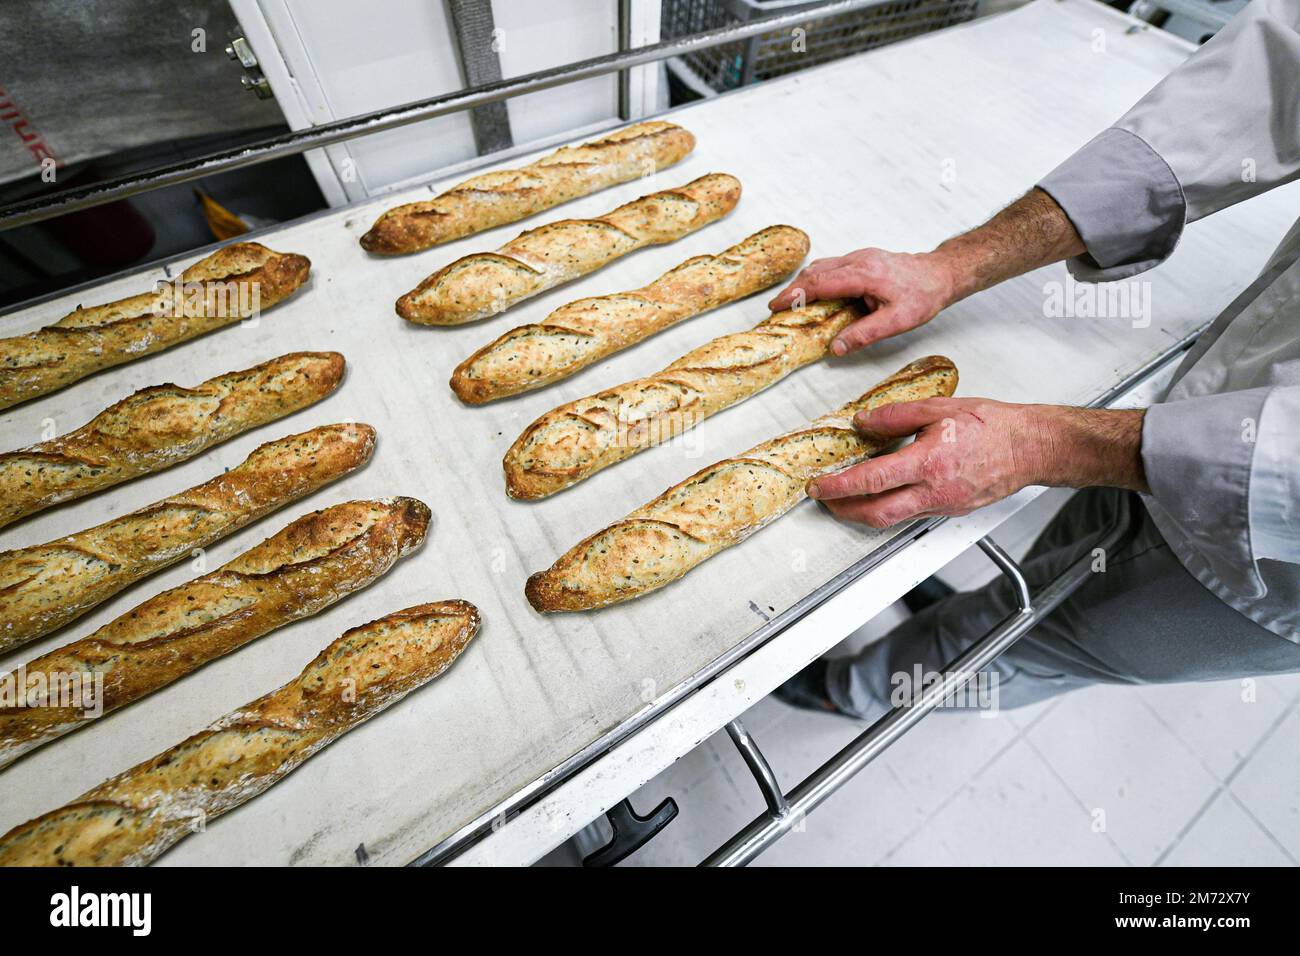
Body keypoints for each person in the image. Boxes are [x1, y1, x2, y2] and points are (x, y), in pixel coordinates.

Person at [774, 0, 1300, 719]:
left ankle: (859, 689)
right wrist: (953, 266)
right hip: (1209, 400)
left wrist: (1042, 442)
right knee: (1064, 555)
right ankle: (982, 600)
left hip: (1265, 572)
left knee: (1036, 639)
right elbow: (1265, 84)